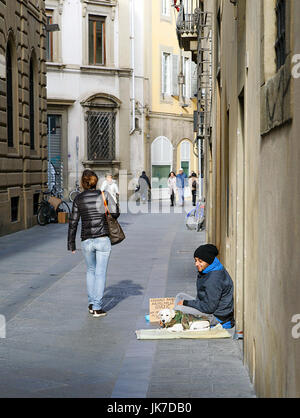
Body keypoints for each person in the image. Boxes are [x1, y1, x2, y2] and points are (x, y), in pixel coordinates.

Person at [68, 169, 120, 318]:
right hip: (103, 238)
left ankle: (92, 304)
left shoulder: (78, 199)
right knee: (100, 272)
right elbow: (115, 213)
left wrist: (71, 243)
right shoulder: (104, 195)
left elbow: (73, 221)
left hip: (86, 240)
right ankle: (97, 307)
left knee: (90, 271)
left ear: (83, 183)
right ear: (95, 181)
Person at [174, 244, 235, 328]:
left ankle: (173, 319)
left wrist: (186, 303)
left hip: (216, 316)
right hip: (207, 305)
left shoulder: (213, 279)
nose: (196, 264)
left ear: (208, 260)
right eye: (195, 260)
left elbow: (209, 308)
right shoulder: (212, 268)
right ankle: (174, 316)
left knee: (179, 308)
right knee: (180, 296)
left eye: (200, 261)